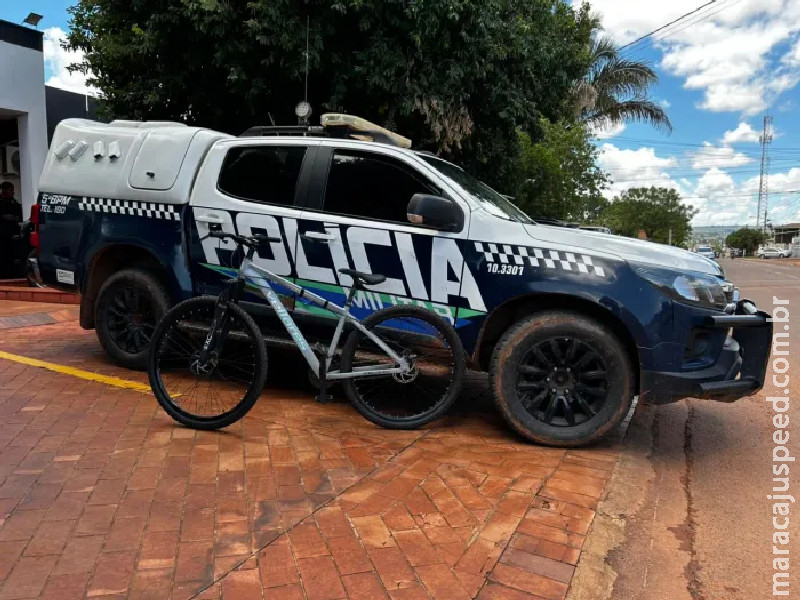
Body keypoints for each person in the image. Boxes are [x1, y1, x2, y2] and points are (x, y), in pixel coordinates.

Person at [0, 181, 23, 278]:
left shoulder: (14, 203)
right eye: (10, 190)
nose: (12, 192)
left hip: (12, 234)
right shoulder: (1, 202)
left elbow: (18, 216)